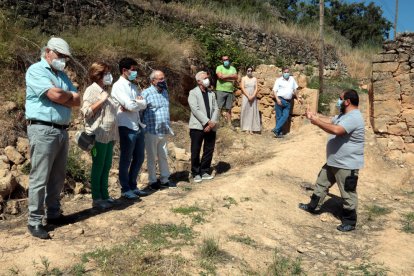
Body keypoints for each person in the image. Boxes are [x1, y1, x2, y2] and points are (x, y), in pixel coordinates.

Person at [25, 37, 80, 239]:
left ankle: (54, 214)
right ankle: (35, 221)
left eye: (65, 57)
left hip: (61, 130)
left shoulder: (61, 75)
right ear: (48, 51)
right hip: (42, 129)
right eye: (60, 55)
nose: (63, 60)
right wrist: (66, 96)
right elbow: (58, 96)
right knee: (40, 177)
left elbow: (78, 100)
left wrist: (63, 95)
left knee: (57, 176)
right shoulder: (36, 70)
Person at [299, 89, 365, 232]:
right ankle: (313, 206)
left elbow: (337, 130)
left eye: (340, 98)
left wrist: (317, 122)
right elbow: (330, 120)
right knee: (321, 183)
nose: (338, 101)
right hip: (334, 161)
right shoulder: (344, 115)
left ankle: (349, 221)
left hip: (346, 164)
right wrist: (314, 116)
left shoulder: (354, 117)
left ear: (347, 101)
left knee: (348, 193)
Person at [81, 62, 118, 209]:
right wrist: (101, 100)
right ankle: (97, 198)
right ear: (98, 75)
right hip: (98, 135)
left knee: (107, 166)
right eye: (106, 73)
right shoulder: (92, 90)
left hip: (109, 136)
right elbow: (86, 112)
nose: (109, 76)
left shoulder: (104, 90)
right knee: (98, 166)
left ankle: (105, 195)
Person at [111, 58, 148, 200]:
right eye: (132, 69)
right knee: (126, 158)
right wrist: (135, 104)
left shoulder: (133, 86)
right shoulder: (118, 86)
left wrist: (134, 104)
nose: (135, 72)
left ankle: (133, 185)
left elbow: (143, 103)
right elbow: (134, 105)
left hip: (137, 125)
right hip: (125, 125)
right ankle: (125, 188)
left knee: (139, 157)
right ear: (124, 70)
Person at [142, 70, 174, 189]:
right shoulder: (146, 93)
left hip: (163, 130)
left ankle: (165, 179)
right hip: (151, 130)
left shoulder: (165, 92)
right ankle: (153, 181)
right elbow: (141, 112)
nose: (163, 81)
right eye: (160, 79)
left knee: (163, 155)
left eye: (163, 78)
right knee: (152, 157)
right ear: (153, 81)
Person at [188, 71, 219, 183]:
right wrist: (206, 122)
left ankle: (205, 171)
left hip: (211, 126)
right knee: (195, 150)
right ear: (199, 81)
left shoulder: (211, 93)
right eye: (205, 78)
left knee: (208, 149)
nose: (207, 79)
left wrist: (212, 123)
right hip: (197, 126)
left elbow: (216, 108)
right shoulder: (193, 93)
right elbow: (195, 109)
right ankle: (195, 172)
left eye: (207, 78)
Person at [272, 67, 299, 138]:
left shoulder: (292, 79)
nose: (286, 73)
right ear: (282, 73)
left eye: (287, 72)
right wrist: (277, 99)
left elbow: (295, 90)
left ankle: (276, 129)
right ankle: (278, 133)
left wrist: (298, 97)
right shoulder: (278, 80)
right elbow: (274, 91)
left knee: (285, 115)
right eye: (285, 72)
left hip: (288, 101)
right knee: (279, 117)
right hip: (280, 99)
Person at [215, 55, 238, 125]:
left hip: (230, 91)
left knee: (229, 108)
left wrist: (225, 77)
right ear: (222, 61)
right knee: (219, 107)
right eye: (224, 60)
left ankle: (229, 124)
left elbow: (236, 77)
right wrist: (231, 77)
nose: (226, 61)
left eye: (227, 59)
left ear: (229, 60)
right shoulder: (219, 67)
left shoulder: (233, 68)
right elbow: (220, 77)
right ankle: (217, 123)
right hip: (220, 90)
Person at [240, 67, 260, 134]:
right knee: (245, 110)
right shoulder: (243, 78)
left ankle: (252, 128)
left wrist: (253, 96)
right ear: (246, 71)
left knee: (252, 111)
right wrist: (248, 96)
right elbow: (242, 87)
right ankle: (246, 128)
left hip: (253, 96)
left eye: (251, 70)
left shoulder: (254, 79)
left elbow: (256, 88)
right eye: (248, 70)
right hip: (246, 96)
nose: (250, 72)